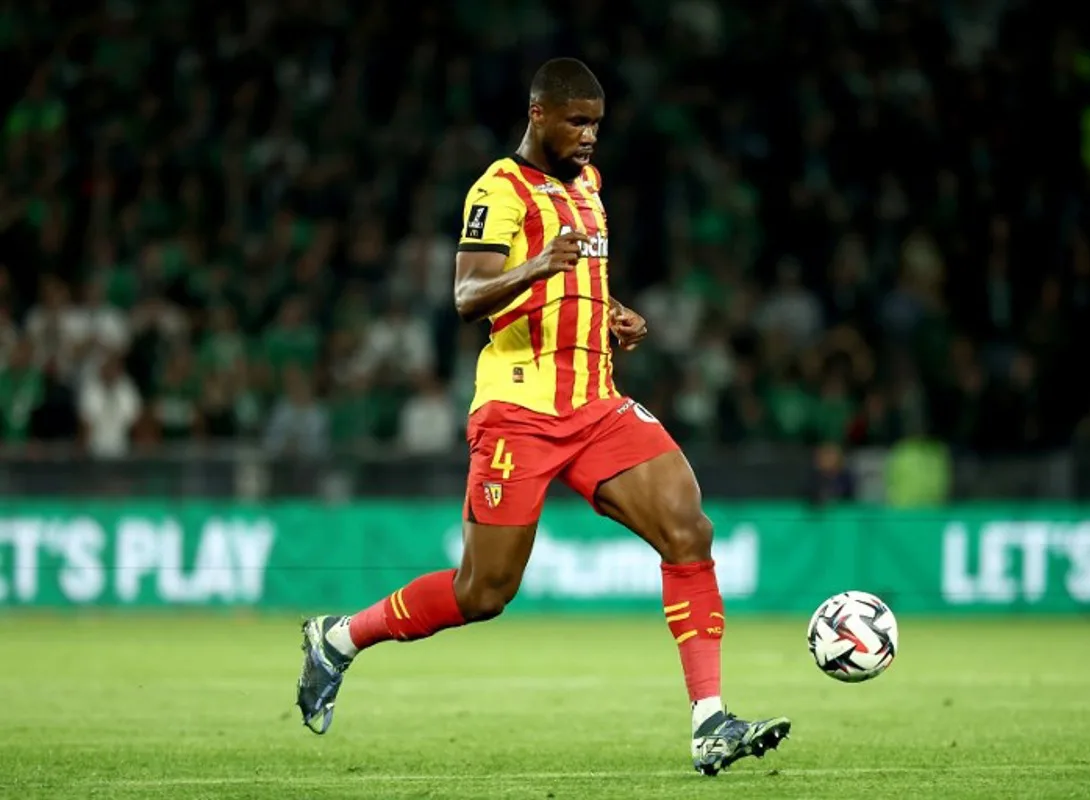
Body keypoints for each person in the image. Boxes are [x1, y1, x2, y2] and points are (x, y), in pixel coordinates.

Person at [295, 57, 789, 776]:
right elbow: (467, 295)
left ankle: (710, 721)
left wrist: (607, 311)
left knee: (689, 529)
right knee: (483, 592)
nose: (589, 136)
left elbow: (580, 277)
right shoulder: (499, 189)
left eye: (596, 123)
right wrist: (537, 266)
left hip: (596, 402)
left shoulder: (589, 187)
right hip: (519, 411)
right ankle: (338, 639)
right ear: (538, 115)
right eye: (576, 121)